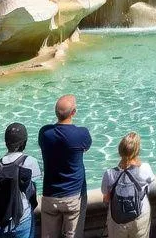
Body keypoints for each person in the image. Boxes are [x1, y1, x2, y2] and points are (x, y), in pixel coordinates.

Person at [39, 95, 93, 238]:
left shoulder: (44, 133)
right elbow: (86, 148)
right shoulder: (82, 133)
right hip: (74, 196)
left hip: (50, 194)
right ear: (73, 112)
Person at [0, 124, 39, 238]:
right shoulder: (30, 162)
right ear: (24, 142)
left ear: (6, 142)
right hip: (21, 219)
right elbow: (33, 187)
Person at [102, 133, 155, 238]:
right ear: (137, 151)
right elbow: (152, 183)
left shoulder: (109, 173)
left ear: (120, 151)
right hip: (140, 215)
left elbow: (106, 198)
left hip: (117, 217)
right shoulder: (145, 168)